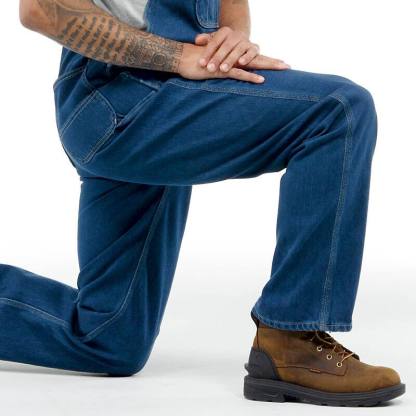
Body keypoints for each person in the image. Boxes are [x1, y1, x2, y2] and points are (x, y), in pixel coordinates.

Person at [2, 0, 404, 407]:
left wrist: (233, 38)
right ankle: (292, 339)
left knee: (109, 337)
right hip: (123, 96)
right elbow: (40, 8)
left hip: (154, 95)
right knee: (337, 113)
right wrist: (179, 56)